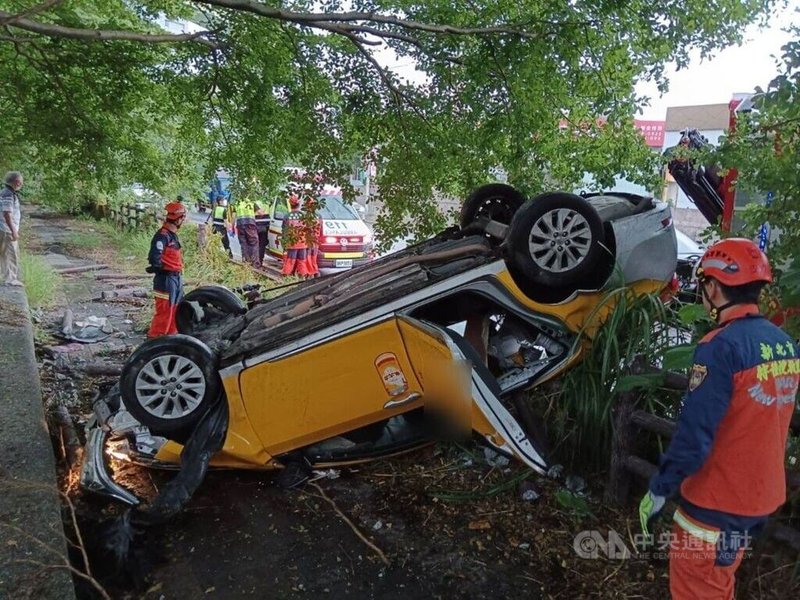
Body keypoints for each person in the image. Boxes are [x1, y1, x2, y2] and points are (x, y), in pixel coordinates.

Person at [639, 238, 799, 600]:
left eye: (703, 285)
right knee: (718, 580)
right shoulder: (784, 343)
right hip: (757, 499)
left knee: (697, 587)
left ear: (713, 286)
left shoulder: (720, 347)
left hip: (714, 503)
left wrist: (659, 488)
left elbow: (694, 438)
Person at [146, 202, 187, 337]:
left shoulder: (172, 235)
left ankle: (170, 340)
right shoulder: (163, 236)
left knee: (176, 310)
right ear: (179, 219)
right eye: (183, 218)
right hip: (166, 279)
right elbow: (154, 256)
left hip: (176, 278)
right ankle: (154, 341)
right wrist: (157, 266)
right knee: (165, 312)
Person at [0, 171, 24, 286]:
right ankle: (11, 279)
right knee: (10, 254)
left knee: (5, 254)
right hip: (6, 230)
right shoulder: (8, 194)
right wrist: (14, 231)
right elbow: (7, 213)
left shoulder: (6, 192)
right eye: (21, 181)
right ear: (17, 182)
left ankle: (7, 276)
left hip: (4, 228)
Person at [280, 194, 309, 277]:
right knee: (302, 261)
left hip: (292, 243)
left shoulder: (287, 216)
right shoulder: (304, 216)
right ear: (299, 204)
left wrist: (284, 244)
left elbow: (284, 231)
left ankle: (286, 277)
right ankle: (302, 277)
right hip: (303, 243)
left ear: (290, 204)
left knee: (290, 261)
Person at [234, 195, 261, 268]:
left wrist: (233, 226)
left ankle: (246, 262)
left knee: (244, 243)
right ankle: (255, 263)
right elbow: (260, 213)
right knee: (254, 243)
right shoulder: (252, 203)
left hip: (240, 225)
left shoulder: (238, 202)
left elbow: (234, 215)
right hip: (250, 225)